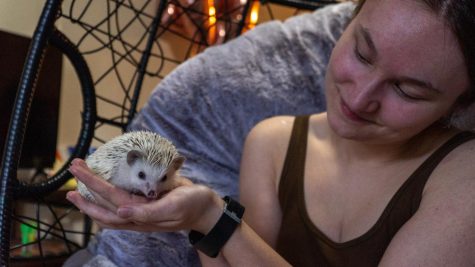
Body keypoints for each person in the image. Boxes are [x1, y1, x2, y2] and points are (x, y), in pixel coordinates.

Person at [66, 0, 475, 266]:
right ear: (346, 25)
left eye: (407, 89)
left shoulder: (463, 175)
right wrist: (197, 217)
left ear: (462, 104)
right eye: (362, 53)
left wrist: (215, 219)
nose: (361, 96)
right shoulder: (273, 142)